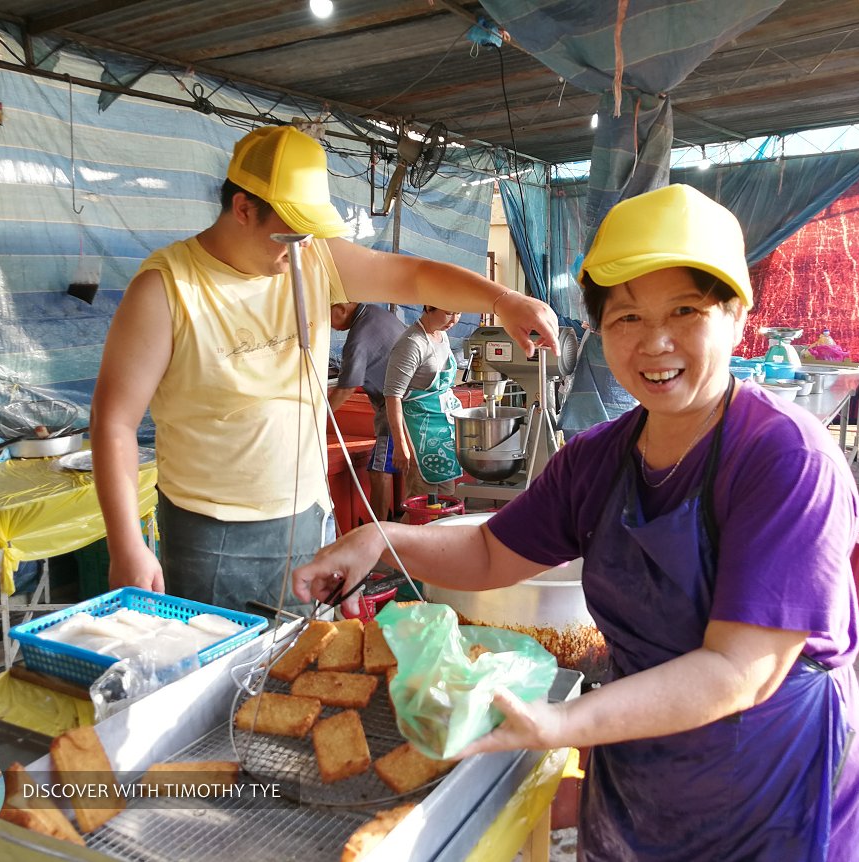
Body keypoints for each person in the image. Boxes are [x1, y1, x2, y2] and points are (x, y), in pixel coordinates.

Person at [294, 184, 859, 860]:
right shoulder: (599, 459)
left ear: (737, 316)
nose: (655, 343)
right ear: (599, 330)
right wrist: (380, 539)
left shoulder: (784, 460)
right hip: (640, 763)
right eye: (626, 317)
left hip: (770, 786)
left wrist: (565, 721)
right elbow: (488, 555)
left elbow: (738, 671)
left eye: (685, 310)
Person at [91, 125, 558, 614]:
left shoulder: (313, 256)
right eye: (289, 232)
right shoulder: (166, 289)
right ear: (244, 209)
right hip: (211, 531)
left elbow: (413, 275)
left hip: (308, 517)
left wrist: (502, 299)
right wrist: (127, 544)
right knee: (227, 677)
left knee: (308, 663)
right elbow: (114, 423)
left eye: (310, 231)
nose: (301, 246)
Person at [328, 301, 407, 521]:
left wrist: (318, 418)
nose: (331, 326)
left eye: (329, 317)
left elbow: (346, 388)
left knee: (379, 469)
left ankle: (380, 530)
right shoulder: (377, 313)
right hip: (408, 399)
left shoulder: (358, 338)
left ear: (342, 307)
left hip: (398, 405)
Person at [384, 305, 464, 506]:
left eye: (458, 312)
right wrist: (400, 444)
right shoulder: (412, 343)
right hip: (418, 433)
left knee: (446, 501)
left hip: (443, 432)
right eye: (448, 311)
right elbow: (392, 395)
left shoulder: (441, 336)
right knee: (422, 506)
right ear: (429, 306)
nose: (453, 319)